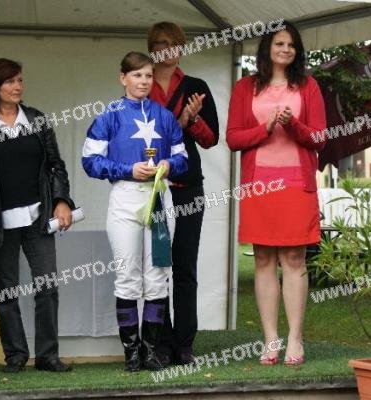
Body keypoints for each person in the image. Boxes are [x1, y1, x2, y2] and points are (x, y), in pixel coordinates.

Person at [0, 58, 75, 373]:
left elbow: (55, 166)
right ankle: (15, 355)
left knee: (47, 286)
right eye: (10, 81)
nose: (17, 87)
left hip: (38, 219)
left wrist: (62, 201)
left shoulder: (37, 119)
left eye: (20, 80)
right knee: (7, 291)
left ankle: (48, 356)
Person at [226, 21, 326, 366]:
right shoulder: (245, 87)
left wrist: (291, 124)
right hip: (259, 186)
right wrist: (266, 127)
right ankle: (271, 339)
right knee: (264, 259)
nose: (285, 50)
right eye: (279, 43)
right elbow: (233, 138)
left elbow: (319, 138)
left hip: (296, 185)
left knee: (294, 259)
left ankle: (295, 338)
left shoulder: (309, 86)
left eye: (291, 45)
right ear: (267, 47)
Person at [82, 51, 188, 372]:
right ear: (123, 78)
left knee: (157, 278)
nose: (143, 81)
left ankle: (151, 350)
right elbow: (90, 161)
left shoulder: (165, 116)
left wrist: (168, 164)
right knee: (127, 276)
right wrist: (128, 169)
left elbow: (183, 159)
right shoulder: (108, 116)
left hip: (159, 198)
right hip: (125, 198)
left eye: (148, 75)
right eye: (137, 75)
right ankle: (131, 352)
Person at [147, 21, 220, 366]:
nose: (168, 49)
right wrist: (180, 120)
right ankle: (161, 342)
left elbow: (211, 139)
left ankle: (185, 343)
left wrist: (192, 120)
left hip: (188, 185)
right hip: (151, 189)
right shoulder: (142, 85)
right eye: (162, 43)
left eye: (175, 43)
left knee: (185, 265)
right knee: (157, 265)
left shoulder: (196, 87)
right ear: (152, 48)